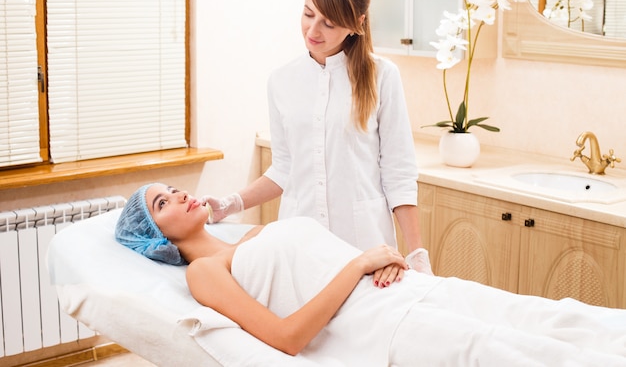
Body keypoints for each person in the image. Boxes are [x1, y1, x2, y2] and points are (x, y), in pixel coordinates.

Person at [116, 183, 626, 366]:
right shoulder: (205, 271)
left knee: (551, 318)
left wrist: (378, 259)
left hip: (408, 289)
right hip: (382, 329)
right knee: (517, 353)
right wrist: (359, 264)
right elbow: (287, 338)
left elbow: (320, 266)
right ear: (156, 238)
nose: (180, 194)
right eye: (163, 202)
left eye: (173, 188)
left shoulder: (249, 237)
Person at [204, 0, 431, 276]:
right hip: (298, 243)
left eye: (329, 22)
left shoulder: (383, 77)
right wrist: (232, 203)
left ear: (357, 23)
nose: (313, 30)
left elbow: (398, 173)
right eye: (308, 14)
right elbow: (285, 168)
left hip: (363, 242)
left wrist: (417, 252)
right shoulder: (281, 81)